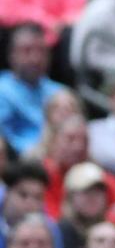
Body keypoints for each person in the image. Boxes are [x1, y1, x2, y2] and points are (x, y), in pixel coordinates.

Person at [0, 22, 67, 155]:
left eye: (41, 51)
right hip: (19, 163)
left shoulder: (60, 92)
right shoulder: (2, 90)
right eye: (27, 50)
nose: (35, 58)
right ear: (11, 55)